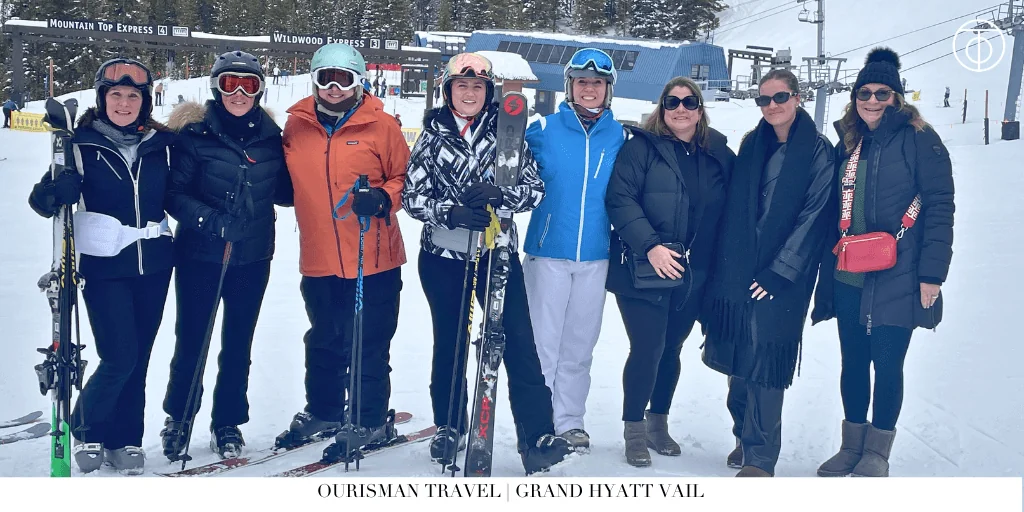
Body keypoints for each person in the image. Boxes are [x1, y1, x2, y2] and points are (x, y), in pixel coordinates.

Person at [402, 52, 574, 475]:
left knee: (517, 340)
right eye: (462, 86)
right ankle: (450, 424)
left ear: (488, 92)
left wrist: (500, 195)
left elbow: (534, 190)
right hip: (444, 255)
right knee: (451, 342)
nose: (470, 93)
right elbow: (411, 197)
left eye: (478, 87)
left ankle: (537, 436)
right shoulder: (432, 135)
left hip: (495, 253)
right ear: (448, 90)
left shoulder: (507, 131)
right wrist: (451, 211)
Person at [811, 47, 954, 478]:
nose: (872, 100)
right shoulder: (849, 141)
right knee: (852, 362)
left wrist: (932, 274)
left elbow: (941, 205)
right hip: (849, 271)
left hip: (899, 273)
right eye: (864, 93)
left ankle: (877, 450)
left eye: (882, 93)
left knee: (888, 363)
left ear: (897, 96)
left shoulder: (919, 137)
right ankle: (851, 444)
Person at [28, 58, 174, 475]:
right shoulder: (81, 143)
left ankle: (125, 438)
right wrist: (55, 190)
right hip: (105, 266)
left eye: (133, 96)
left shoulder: (161, 144)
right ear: (102, 98)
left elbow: (183, 190)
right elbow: (41, 205)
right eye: (116, 95)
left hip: (156, 265)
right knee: (119, 355)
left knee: (140, 357)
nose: (124, 103)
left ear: (144, 102)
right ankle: (86, 426)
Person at [275, 43, 409, 456]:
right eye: (325, 79)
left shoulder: (381, 126)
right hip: (318, 257)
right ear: (314, 81)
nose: (334, 88)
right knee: (324, 338)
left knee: (368, 341)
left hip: (373, 254)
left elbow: (405, 176)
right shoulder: (296, 126)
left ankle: (369, 420)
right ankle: (326, 409)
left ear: (359, 82)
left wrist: (384, 198)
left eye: (344, 79)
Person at [700, 68, 835, 477]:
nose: (772, 106)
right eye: (764, 100)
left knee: (765, 359)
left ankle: (761, 455)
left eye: (780, 97)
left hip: (783, 276)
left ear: (798, 98)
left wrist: (780, 271)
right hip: (739, 268)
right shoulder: (751, 143)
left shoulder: (817, 150)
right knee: (738, 353)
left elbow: (814, 217)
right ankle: (742, 434)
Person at [159, 51, 290, 461]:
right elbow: (173, 196)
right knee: (192, 338)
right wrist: (212, 220)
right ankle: (179, 417)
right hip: (200, 254)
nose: (238, 93)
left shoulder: (272, 137)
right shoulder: (194, 135)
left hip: (252, 256)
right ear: (216, 87)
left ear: (259, 90)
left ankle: (227, 421)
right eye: (229, 83)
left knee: (238, 341)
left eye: (247, 85)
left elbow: (286, 192)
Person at [605, 77, 734, 468]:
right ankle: (634, 429)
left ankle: (658, 423)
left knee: (673, 348)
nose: (681, 109)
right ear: (662, 108)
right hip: (644, 268)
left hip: (694, 272)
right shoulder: (641, 148)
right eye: (672, 102)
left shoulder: (720, 154)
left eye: (689, 102)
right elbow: (620, 199)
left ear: (701, 109)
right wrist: (651, 245)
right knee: (648, 347)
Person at [522, 48, 625, 453]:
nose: (589, 88)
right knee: (543, 343)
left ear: (607, 89)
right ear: (570, 86)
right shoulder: (543, 128)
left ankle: (570, 422)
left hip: (596, 254)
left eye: (597, 82)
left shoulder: (621, 135)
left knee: (580, 345)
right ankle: (539, 421)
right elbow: (505, 162)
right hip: (548, 250)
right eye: (582, 81)